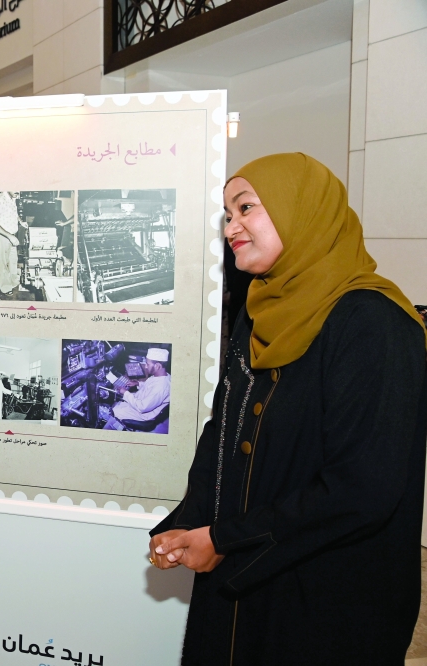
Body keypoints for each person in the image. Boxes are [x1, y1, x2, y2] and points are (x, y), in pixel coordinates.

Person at [149, 153, 427, 664]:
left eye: (246, 207)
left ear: (303, 212)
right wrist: (192, 522)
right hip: (240, 582)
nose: (231, 225)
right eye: (227, 214)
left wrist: (226, 538)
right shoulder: (261, 311)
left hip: (325, 597)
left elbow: (363, 489)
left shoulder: (374, 324)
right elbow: (225, 433)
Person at [109, 347, 171, 426]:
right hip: (144, 403)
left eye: (147, 364)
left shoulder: (161, 387)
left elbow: (142, 407)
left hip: (143, 415)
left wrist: (125, 393)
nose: (145, 366)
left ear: (157, 366)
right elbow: (150, 386)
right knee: (120, 403)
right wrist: (138, 383)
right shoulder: (162, 375)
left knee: (115, 410)